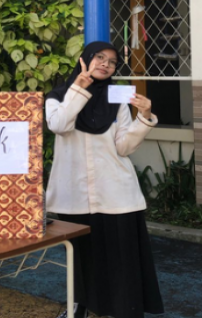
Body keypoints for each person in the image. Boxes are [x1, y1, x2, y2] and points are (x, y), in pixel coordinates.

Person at [46, 41, 165, 318]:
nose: (106, 64)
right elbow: (59, 125)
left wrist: (144, 117)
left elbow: (124, 146)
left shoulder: (116, 97)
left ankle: (125, 310)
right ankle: (80, 306)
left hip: (116, 192)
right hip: (73, 193)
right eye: (99, 57)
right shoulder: (58, 96)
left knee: (121, 259)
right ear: (84, 59)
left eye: (112, 62)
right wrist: (80, 89)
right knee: (81, 257)